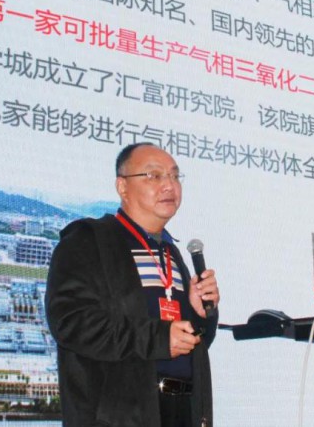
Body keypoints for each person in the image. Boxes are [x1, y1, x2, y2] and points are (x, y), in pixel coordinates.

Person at [45, 142, 221, 427]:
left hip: (181, 411)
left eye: (175, 176)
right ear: (122, 186)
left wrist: (200, 316)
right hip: (119, 417)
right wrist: (159, 338)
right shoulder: (88, 241)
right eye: (154, 175)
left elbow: (189, 344)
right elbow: (71, 323)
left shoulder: (171, 253)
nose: (169, 185)